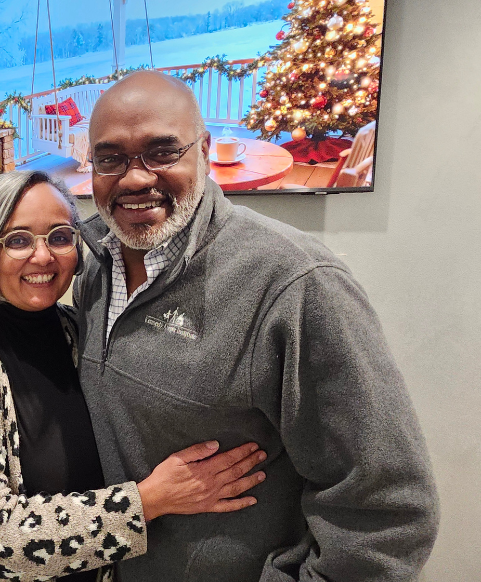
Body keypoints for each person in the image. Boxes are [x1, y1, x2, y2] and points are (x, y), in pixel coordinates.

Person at [73, 71, 440, 582]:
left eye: (162, 151)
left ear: (202, 150)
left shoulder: (297, 285)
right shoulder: (91, 268)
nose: (135, 178)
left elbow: (386, 515)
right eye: (110, 158)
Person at [0, 170, 267, 582]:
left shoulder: (78, 329)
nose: (43, 257)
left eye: (59, 236)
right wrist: (147, 502)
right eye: (18, 240)